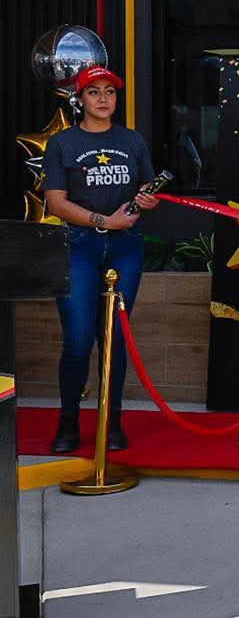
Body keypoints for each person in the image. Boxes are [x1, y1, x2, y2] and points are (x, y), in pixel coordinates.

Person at [43, 66, 159, 453]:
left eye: (110, 91)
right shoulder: (62, 143)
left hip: (125, 247)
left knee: (115, 339)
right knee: (78, 339)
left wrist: (148, 199)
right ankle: (68, 422)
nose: (104, 98)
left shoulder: (132, 140)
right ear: (80, 99)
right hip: (78, 246)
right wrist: (104, 221)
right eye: (94, 92)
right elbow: (55, 202)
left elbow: (146, 187)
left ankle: (112, 421)